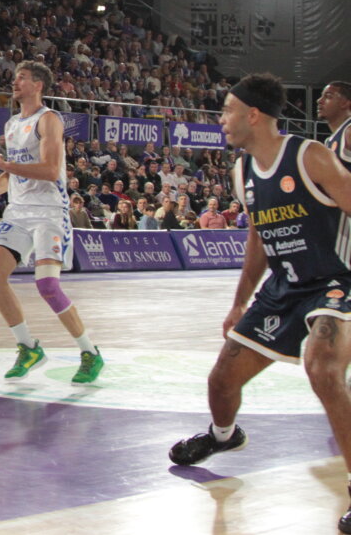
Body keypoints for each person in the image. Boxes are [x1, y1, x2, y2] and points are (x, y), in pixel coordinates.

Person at [167, 74, 351, 534]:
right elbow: (258, 239)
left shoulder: (311, 156)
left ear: (252, 114)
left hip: (334, 279)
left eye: (227, 110)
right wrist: (239, 303)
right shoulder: (242, 171)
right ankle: (222, 437)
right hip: (282, 287)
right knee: (221, 379)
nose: (221, 119)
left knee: (324, 368)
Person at [0, 61, 104, 385]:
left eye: (21, 77)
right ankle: (28, 346)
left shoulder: (49, 120)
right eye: (15, 77)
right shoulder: (10, 125)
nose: (14, 82)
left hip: (49, 212)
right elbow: (13, 174)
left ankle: (90, 351)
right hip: (18, 212)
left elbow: (49, 170)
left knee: (47, 286)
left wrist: (3, 161)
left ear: (38, 85)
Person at [320, 81, 351, 171]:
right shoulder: (329, 141)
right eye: (321, 96)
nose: (319, 100)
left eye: (328, 96)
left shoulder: (349, 131)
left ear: (345, 103)